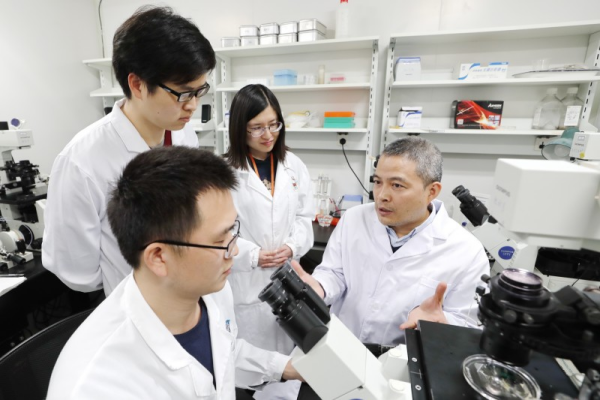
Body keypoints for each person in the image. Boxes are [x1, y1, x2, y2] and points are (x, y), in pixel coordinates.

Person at [47, 146, 301, 399]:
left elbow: (224, 351)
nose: (234, 250)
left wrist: (285, 367)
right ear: (159, 257)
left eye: (232, 230)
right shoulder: (95, 386)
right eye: (220, 240)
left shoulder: (210, 290)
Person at [42, 6, 214, 295]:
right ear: (137, 84)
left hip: (187, 294)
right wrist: (122, 281)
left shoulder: (183, 134)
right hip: (131, 305)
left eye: (199, 91)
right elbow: (75, 270)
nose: (193, 105)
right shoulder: (82, 162)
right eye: (183, 93)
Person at [293, 137, 490, 350]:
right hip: (340, 347)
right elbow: (335, 273)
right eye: (378, 182)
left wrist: (440, 324)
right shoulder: (354, 218)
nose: (381, 196)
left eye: (397, 185)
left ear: (431, 191)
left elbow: (468, 326)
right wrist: (320, 287)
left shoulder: (467, 252)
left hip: (403, 361)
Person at [224, 84, 314, 398]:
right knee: (246, 373)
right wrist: (253, 255)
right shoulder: (224, 172)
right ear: (240, 127)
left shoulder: (293, 165)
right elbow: (217, 233)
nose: (268, 135)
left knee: (288, 372)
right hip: (244, 284)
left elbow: (304, 216)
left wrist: (293, 246)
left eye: (274, 124)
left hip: (286, 280)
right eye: (257, 127)